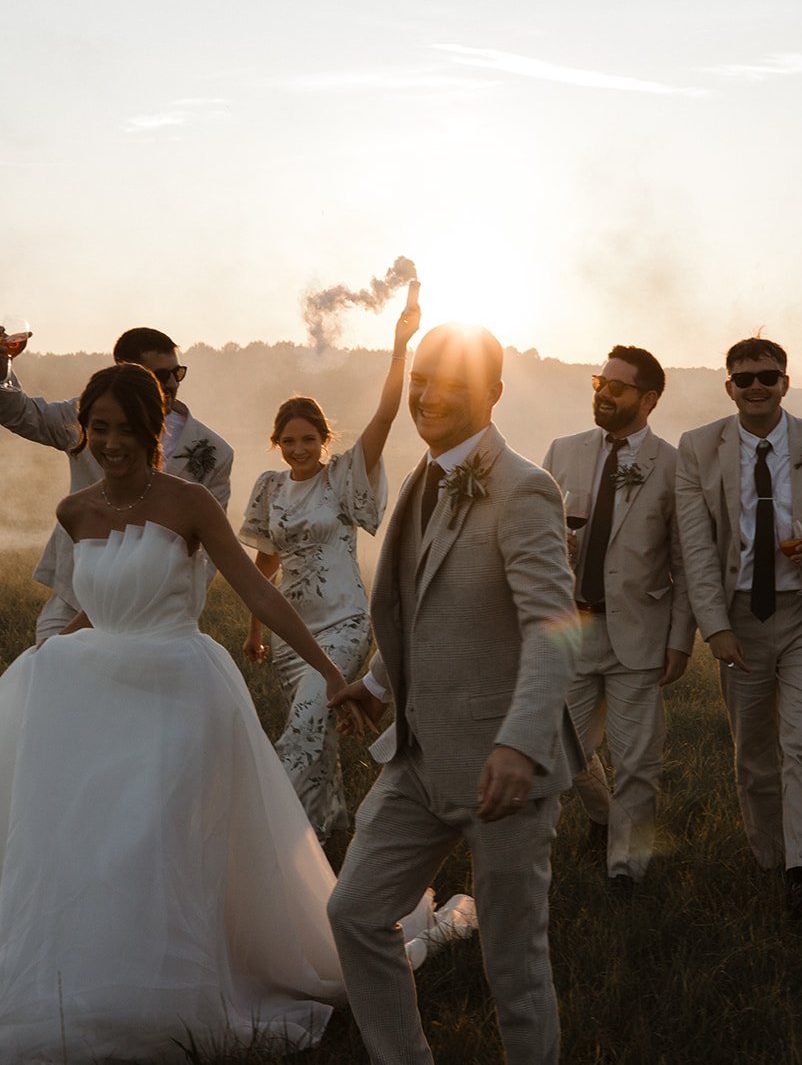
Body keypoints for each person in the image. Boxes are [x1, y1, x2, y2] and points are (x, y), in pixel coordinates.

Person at [0, 364, 457, 1062]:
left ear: (152, 427)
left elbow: (258, 593)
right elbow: (97, 602)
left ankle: (172, 997)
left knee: (153, 839)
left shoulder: (189, 502)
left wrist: (330, 674)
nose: (110, 442)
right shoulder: (74, 514)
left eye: (124, 427)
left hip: (179, 692)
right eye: (97, 427)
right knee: (85, 846)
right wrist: (50, 651)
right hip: (89, 694)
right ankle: (77, 988)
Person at [326, 322, 581, 1064]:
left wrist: (518, 742)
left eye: (453, 384)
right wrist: (376, 682)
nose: (430, 396)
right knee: (354, 911)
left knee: (512, 961)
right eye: (421, 382)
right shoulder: (422, 475)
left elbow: (551, 628)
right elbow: (420, 607)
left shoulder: (526, 488)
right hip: (418, 757)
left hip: (505, 770)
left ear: (493, 394)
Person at [674, 336, 802, 920]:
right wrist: (714, 627)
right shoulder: (698, 447)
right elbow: (696, 548)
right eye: (744, 378)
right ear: (728, 385)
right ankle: (771, 855)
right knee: (754, 753)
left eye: (768, 376)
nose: (756, 386)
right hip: (740, 618)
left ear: (786, 382)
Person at [240, 301, 420, 841]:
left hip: (343, 622)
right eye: (288, 441)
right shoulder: (269, 488)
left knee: (302, 730)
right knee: (318, 734)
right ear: (278, 443)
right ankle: (329, 829)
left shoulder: (343, 477)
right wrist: (255, 629)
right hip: (291, 632)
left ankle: (262, 833)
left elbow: (386, 415)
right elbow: (266, 559)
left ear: (325, 439)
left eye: (308, 439)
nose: (298, 449)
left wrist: (399, 348)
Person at [542, 344, 695, 885]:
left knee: (637, 761)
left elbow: (685, 560)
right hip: (571, 631)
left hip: (639, 633)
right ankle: (602, 816)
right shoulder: (562, 451)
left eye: (617, 387)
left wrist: (680, 639)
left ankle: (625, 868)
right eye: (598, 383)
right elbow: (535, 539)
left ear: (648, 399)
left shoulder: (674, 465)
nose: (603, 394)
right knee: (561, 752)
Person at [0, 325, 234, 643]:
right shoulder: (83, 418)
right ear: (125, 372)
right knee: (47, 672)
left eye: (176, 373)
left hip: (153, 610)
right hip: (76, 595)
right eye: (160, 374)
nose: (170, 384)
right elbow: (20, 414)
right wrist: (2, 367)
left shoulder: (214, 451)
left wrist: (173, 604)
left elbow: (209, 551)